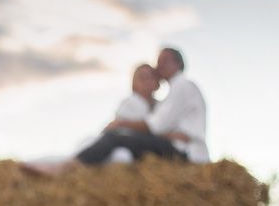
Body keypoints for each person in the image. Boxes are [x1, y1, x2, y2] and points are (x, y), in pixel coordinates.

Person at [75, 47, 209, 165]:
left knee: (116, 137)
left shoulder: (181, 85)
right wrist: (169, 134)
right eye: (158, 62)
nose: (159, 66)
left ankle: (73, 164)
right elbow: (163, 127)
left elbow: (156, 126)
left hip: (187, 151)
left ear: (178, 64)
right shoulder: (172, 93)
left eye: (165, 61)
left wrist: (120, 123)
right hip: (181, 149)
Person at [22, 63, 161, 174]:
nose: (146, 81)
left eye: (150, 77)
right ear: (134, 83)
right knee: (117, 157)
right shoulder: (130, 102)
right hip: (114, 143)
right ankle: (40, 165)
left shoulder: (162, 107)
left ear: (157, 82)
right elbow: (117, 128)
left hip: (132, 148)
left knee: (122, 159)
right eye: (141, 78)